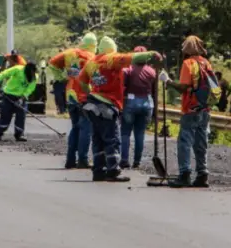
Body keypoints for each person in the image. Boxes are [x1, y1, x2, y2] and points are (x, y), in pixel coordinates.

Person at [79, 36, 161, 182]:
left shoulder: (91, 62)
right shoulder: (112, 59)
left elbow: (81, 80)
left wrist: (90, 90)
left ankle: (98, 170)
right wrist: (152, 54)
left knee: (97, 138)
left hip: (92, 103)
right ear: (113, 49)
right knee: (112, 138)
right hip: (107, 104)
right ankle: (113, 170)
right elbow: (133, 57)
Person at [161, 35, 214, 188]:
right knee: (201, 142)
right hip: (205, 108)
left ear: (186, 49)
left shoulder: (188, 63)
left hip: (191, 108)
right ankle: (202, 174)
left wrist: (168, 81)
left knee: (184, 141)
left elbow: (184, 87)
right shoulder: (206, 63)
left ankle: (184, 174)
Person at [49, 33, 97, 169]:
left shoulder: (70, 53)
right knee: (86, 128)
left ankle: (70, 160)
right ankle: (83, 160)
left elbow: (52, 63)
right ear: (94, 45)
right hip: (84, 96)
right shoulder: (91, 57)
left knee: (75, 127)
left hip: (70, 94)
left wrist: (62, 77)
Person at [119, 46, 157, 169]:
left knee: (125, 132)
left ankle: (124, 160)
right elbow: (154, 92)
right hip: (147, 102)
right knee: (140, 133)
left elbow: (122, 88)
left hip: (130, 102)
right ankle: (137, 162)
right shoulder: (152, 71)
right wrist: (155, 111)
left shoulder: (128, 70)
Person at [0, 62, 39, 142]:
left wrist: (23, 98)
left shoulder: (35, 76)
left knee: (21, 116)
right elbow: (4, 73)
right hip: (8, 96)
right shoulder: (18, 69)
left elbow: (30, 88)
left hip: (21, 98)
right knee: (5, 115)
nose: (32, 74)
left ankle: (19, 134)